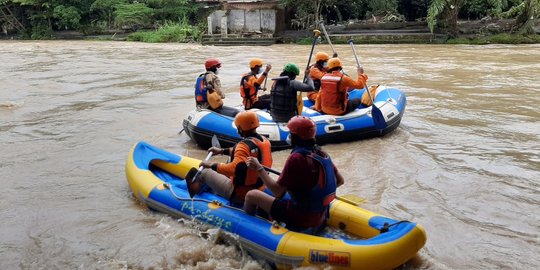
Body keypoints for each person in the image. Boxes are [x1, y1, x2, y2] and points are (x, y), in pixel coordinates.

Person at [244, 116, 345, 233]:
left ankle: (248, 225)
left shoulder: (296, 158)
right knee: (269, 191)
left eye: (291, 134)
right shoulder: (322, 153)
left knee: (252, 195)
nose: (289, 137)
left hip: (300, 217)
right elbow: (340, 181)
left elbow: (277, 192)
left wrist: (259, 168)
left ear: (297, 137)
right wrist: (316, 195)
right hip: (320, 215)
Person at [186, 111, 272, 205]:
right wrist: (222, 151)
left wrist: (211, 165)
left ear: (240, 128)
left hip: (239, 194)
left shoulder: (243, 146)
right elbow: (246, 152)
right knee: (228, 161)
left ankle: (194, 198)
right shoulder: (264, 141)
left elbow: (233, 169)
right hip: (259, 188)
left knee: (204, 172)